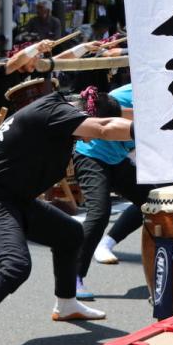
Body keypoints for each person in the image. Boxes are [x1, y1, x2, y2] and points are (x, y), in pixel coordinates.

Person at [0, 88, 133, 345]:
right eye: (87, 130)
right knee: (15, 266)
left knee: (69, 234)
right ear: (84, 114)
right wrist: (146, 132)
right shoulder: (53, 112)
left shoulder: (62, 112)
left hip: (15, 199)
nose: (87, 138)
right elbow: (103, 127)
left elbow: (111, 118)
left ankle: (66, 304)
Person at [72, 84, 151, 299]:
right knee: (99, 213)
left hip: (118, 160)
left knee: (155, 202)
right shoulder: (123, 94)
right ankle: (73, 278)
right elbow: (93, 116)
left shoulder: (171, 93)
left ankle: (171, 257)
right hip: (91, 155)